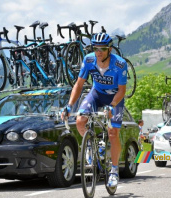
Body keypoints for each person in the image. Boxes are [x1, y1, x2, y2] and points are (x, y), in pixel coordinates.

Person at [62, 32, 127, 188]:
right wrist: (70, 105)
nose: (98, 52)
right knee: (80, 121)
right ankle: (92, 146)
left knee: (113, 133)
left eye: (102, 49)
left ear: (109, 49)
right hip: (96, 94)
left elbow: (122, 91)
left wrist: (111, 105)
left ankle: (114, 170)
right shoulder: (89, 60)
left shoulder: (120, 64)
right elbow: (78, 85)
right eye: (95, 48)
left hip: (114, 98)